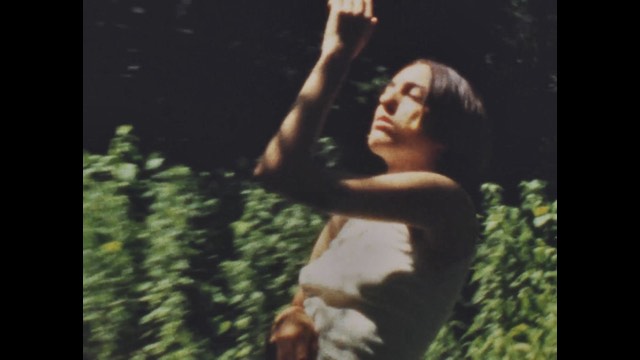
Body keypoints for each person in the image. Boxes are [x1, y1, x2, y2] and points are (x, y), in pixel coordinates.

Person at [253, 0, 489, 359]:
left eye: (412, 95)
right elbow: (301, 300)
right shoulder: (349, 216)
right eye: (389, 88)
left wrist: (336, 53)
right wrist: (292, 318)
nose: (386, 99)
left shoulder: (447, 202)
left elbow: (280, 171)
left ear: (448, 131)